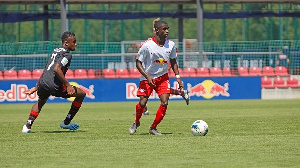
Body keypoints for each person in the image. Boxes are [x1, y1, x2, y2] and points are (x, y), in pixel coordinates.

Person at [22, 31, 86, 133]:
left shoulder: (55, 51)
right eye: (73, 42)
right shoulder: (67, 55)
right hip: (54, 85)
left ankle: (27, 126)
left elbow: (46, 69)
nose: (76, 44)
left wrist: (36, 87)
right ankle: (66, 123)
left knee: (41, 101)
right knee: (81, 94)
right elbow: (56, 69)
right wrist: (68, 85)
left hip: (43, 82)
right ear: (66, 43)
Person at [128, 19, 184, 135]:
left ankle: (153, 128)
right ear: (157, 30)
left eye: (167, 28)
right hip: (147, 77)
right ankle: (136, 122)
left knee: (164, 102)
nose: (167, 31)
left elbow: (173, 61)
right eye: (164, 29)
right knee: (142, 103)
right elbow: (138, 63)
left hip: (163, 77)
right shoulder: (147, 46)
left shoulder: (171, 45)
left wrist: (177, 76)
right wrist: (147, 77)